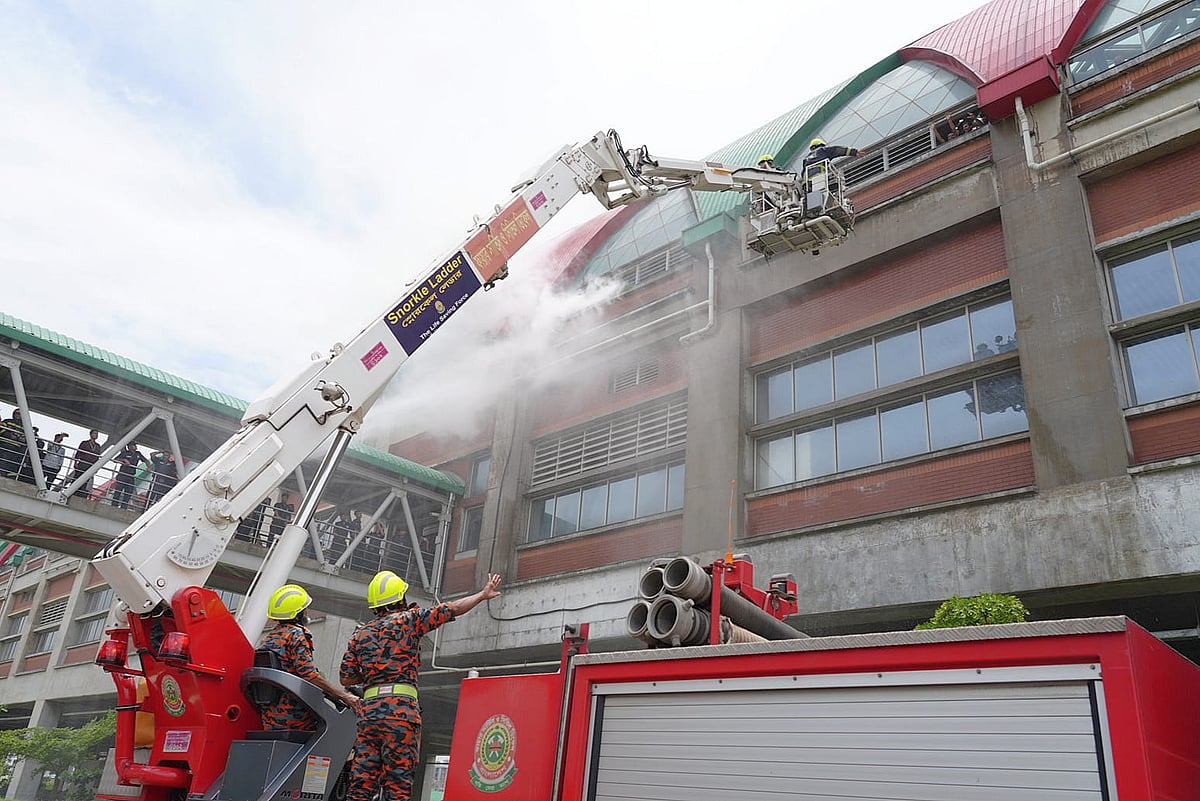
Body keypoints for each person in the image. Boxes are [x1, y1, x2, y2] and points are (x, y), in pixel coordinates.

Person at [340, 571, 502, 801]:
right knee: (397, 787)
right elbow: (452, 609)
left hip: (369, 714)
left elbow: (346, 678)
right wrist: (482, 595)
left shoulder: (360, 634)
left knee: (361, 787)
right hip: (400, 713)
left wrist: (374, 673)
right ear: (400, 598)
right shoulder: (410, 620)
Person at [257, 584, 360, 732]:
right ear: (298, 614)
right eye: (304, 609)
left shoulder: (268, 639)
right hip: (295, 716)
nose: (306, 612)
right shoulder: (296, 635)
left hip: (270, 717)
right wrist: (344, 696)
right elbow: (309, 676)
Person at [112, 441, 149, 510]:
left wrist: (149, 467)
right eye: (134, 445)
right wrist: (124, 460)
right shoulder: (125, 453)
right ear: (129, 447)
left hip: (131, 475)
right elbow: (115, 460)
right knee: (118, 490)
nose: (135, 446)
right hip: (123, 474)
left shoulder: (138, 453)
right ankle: (114, 505)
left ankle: (124, 507)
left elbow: (146, 461)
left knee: (128, 492)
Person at [68, 429, 103, 498]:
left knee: (86, 480)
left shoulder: (97, 446)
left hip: (91, 465)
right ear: (91, 434)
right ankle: (72, 492)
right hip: (83, 462)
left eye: (97, 434)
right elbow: (78, 452)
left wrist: (96, 467)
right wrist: (75, 462)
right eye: (95, 433)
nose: (96, 435)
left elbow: (97, 457)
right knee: (77, 477)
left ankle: (81, 494)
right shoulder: (85, 443)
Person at [0, 411, 26, 479]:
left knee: (12, 464)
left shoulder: (25, 426)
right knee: (3, 461)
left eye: (20, 413)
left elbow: (27, 439)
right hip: (3, 444)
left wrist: (22, 439)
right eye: (16, 413)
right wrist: (9, 435)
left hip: (16, 448)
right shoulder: (7, 421)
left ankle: (8, 476)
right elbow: (1, 429)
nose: (18, 415)